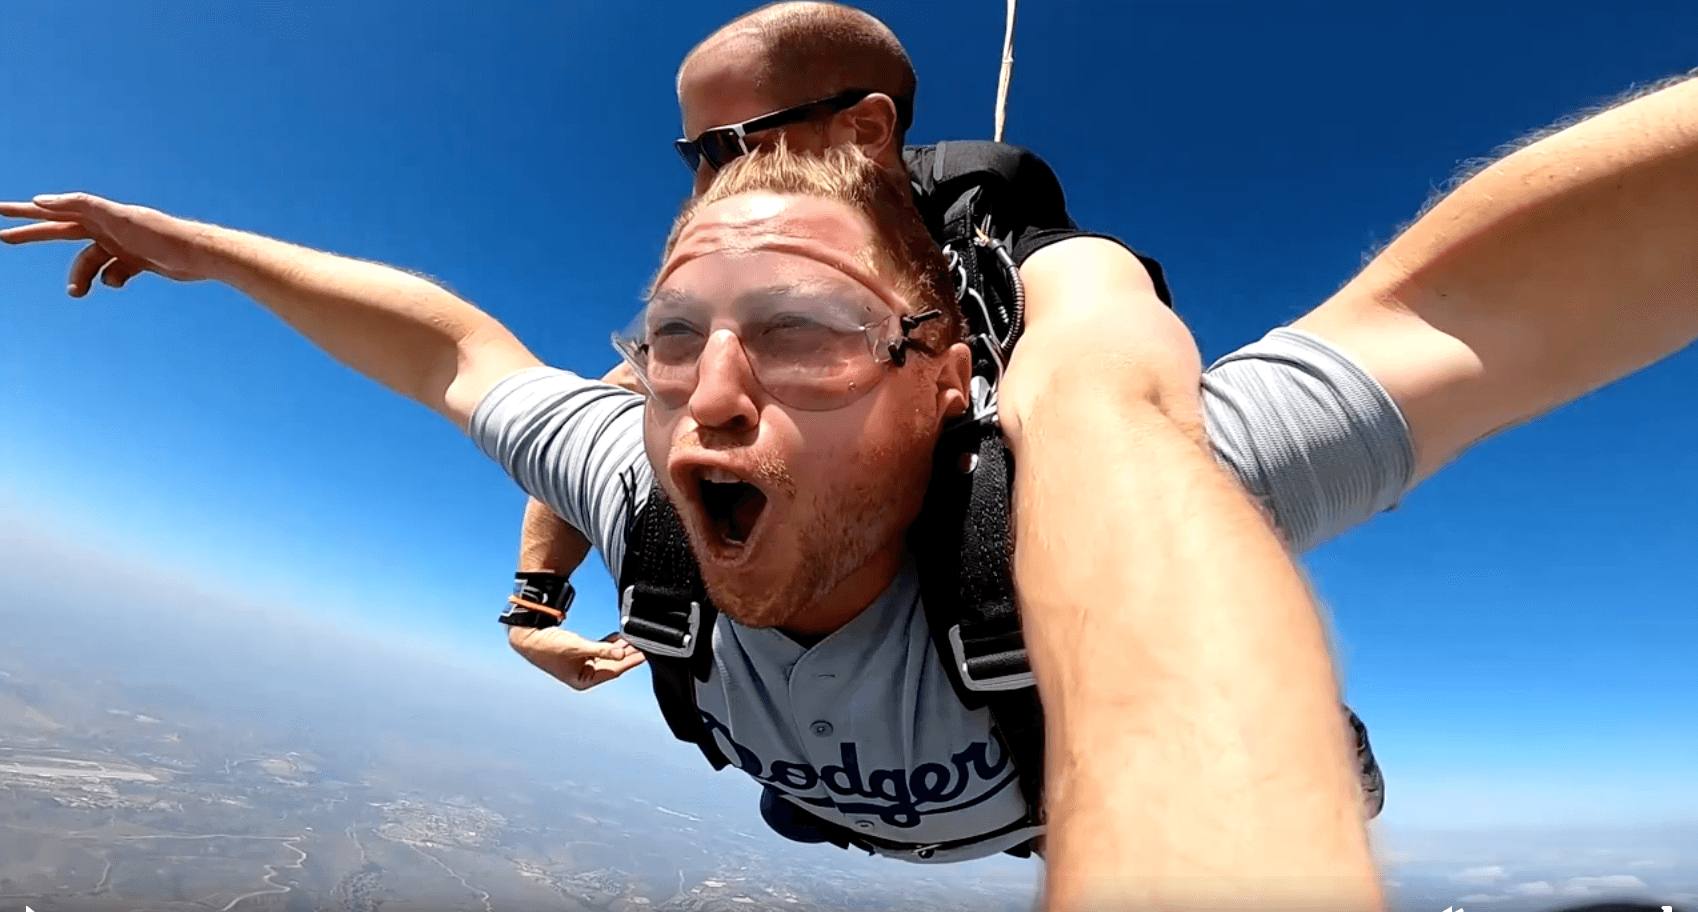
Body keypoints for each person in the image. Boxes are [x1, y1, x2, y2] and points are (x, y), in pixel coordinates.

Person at [1, 146, 1387, 911]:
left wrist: (1092, 309)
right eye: (670, 341)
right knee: (799, 808)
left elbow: (1464, 321)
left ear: (947, 374)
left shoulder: (1108, 494)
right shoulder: (635, 477)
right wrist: (211, 250)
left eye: (809, 341)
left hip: (1024, 784)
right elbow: (451, 354)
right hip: (830, 795)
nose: (713, 393)